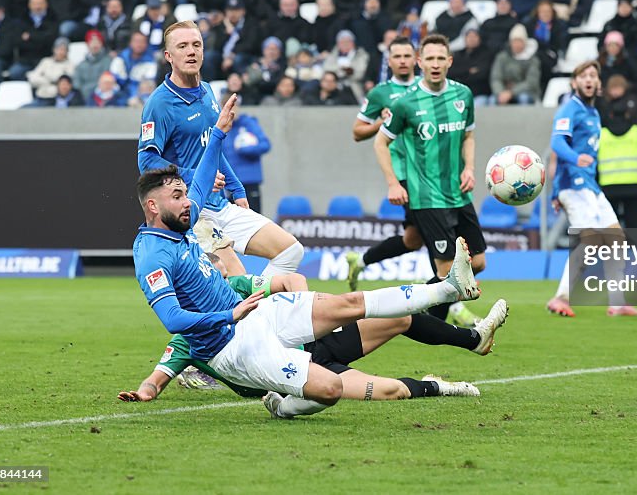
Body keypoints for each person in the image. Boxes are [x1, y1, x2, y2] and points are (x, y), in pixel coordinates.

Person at [132, 96, 484, 418]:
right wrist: (230, 312)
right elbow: (173, 319)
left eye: (182, 195)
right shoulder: (152, 255)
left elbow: (202, 181)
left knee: (347, 303)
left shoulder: (182, 218)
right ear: (153, 206)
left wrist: (220, 133)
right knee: (329, 389)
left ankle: (448, 289)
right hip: (233, 346)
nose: (187, 203)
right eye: (177, 197)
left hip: (259, 315)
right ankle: (283, 408)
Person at [120, 271, 503, 404]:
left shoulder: (230, 286)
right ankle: (441, 387)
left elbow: (284, 282)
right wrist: (143, 392)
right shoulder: (189, 340)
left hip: (316, 342)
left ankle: (474, 339)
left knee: (400, 318)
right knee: (390, 392)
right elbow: (156, 380)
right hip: (290, 379)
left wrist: (306, 304)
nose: (212, 272)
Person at [139, 20, 305, 278]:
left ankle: (261, 313)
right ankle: (250, 311)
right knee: (236, 276)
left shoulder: (206, 92)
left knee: (291, 251)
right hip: (191, 206)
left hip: (220, 203)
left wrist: (236, 188)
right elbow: (146, 160)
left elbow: (212, 147)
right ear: (168, 56)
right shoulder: (159, 103)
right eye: (182, 46)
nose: (191, 51)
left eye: (196, 45)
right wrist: (194, 176)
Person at [375, 34, 487, 325]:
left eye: (441, 58)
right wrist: (392, 183)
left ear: (449, 62)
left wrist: (470, 168)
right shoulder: (406, 103)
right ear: (419, 62)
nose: (435, 64)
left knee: (477, 263)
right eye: (430, 59)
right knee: (450, 271)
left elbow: (469, 136)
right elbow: (380, 143)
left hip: (459, 193)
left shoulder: (463, 95)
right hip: (426, 197)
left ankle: (407, 307)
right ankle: (429, 328)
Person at [546, 61, 637, 318]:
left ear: (598, 83)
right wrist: (567, 173)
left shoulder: (593, 113)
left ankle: (617, 302)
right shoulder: (570, 109)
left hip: (590, 187)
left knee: (616, 239)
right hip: (575, 186)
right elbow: (557, 144)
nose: (589, 80)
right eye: (583, 76)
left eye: (593, 76)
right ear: (574, 82)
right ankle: (560, 297)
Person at [346, 38, 425, 289]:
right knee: (437, 232)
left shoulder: (428, 87)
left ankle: (360, 260)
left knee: (414, 239)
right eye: (397, 56)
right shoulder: (381, 93)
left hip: (433, 169)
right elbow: (357, 132)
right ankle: (452, 303)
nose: (402, 60)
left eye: (407, 55)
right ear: (389, 61)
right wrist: (384, 123)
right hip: (405, 172)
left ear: (416, 59)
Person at [597, 74, 637, 231]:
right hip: (633, 185)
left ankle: (612, 253)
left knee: (611, 222)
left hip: (609, 185)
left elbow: (595, 160)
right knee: (632, 220)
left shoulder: (602, 134)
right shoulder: (636, 132)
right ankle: (633, 252)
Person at [221, 93, 271, 213]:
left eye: (235, 106)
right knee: (231, 224)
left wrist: (246, 149)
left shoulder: (249, 123)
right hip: (230, 184)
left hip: (250, 181)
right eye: (228, 107)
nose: (232, 110)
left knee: (255, 220)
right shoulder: (221, 128)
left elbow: (265, 145)